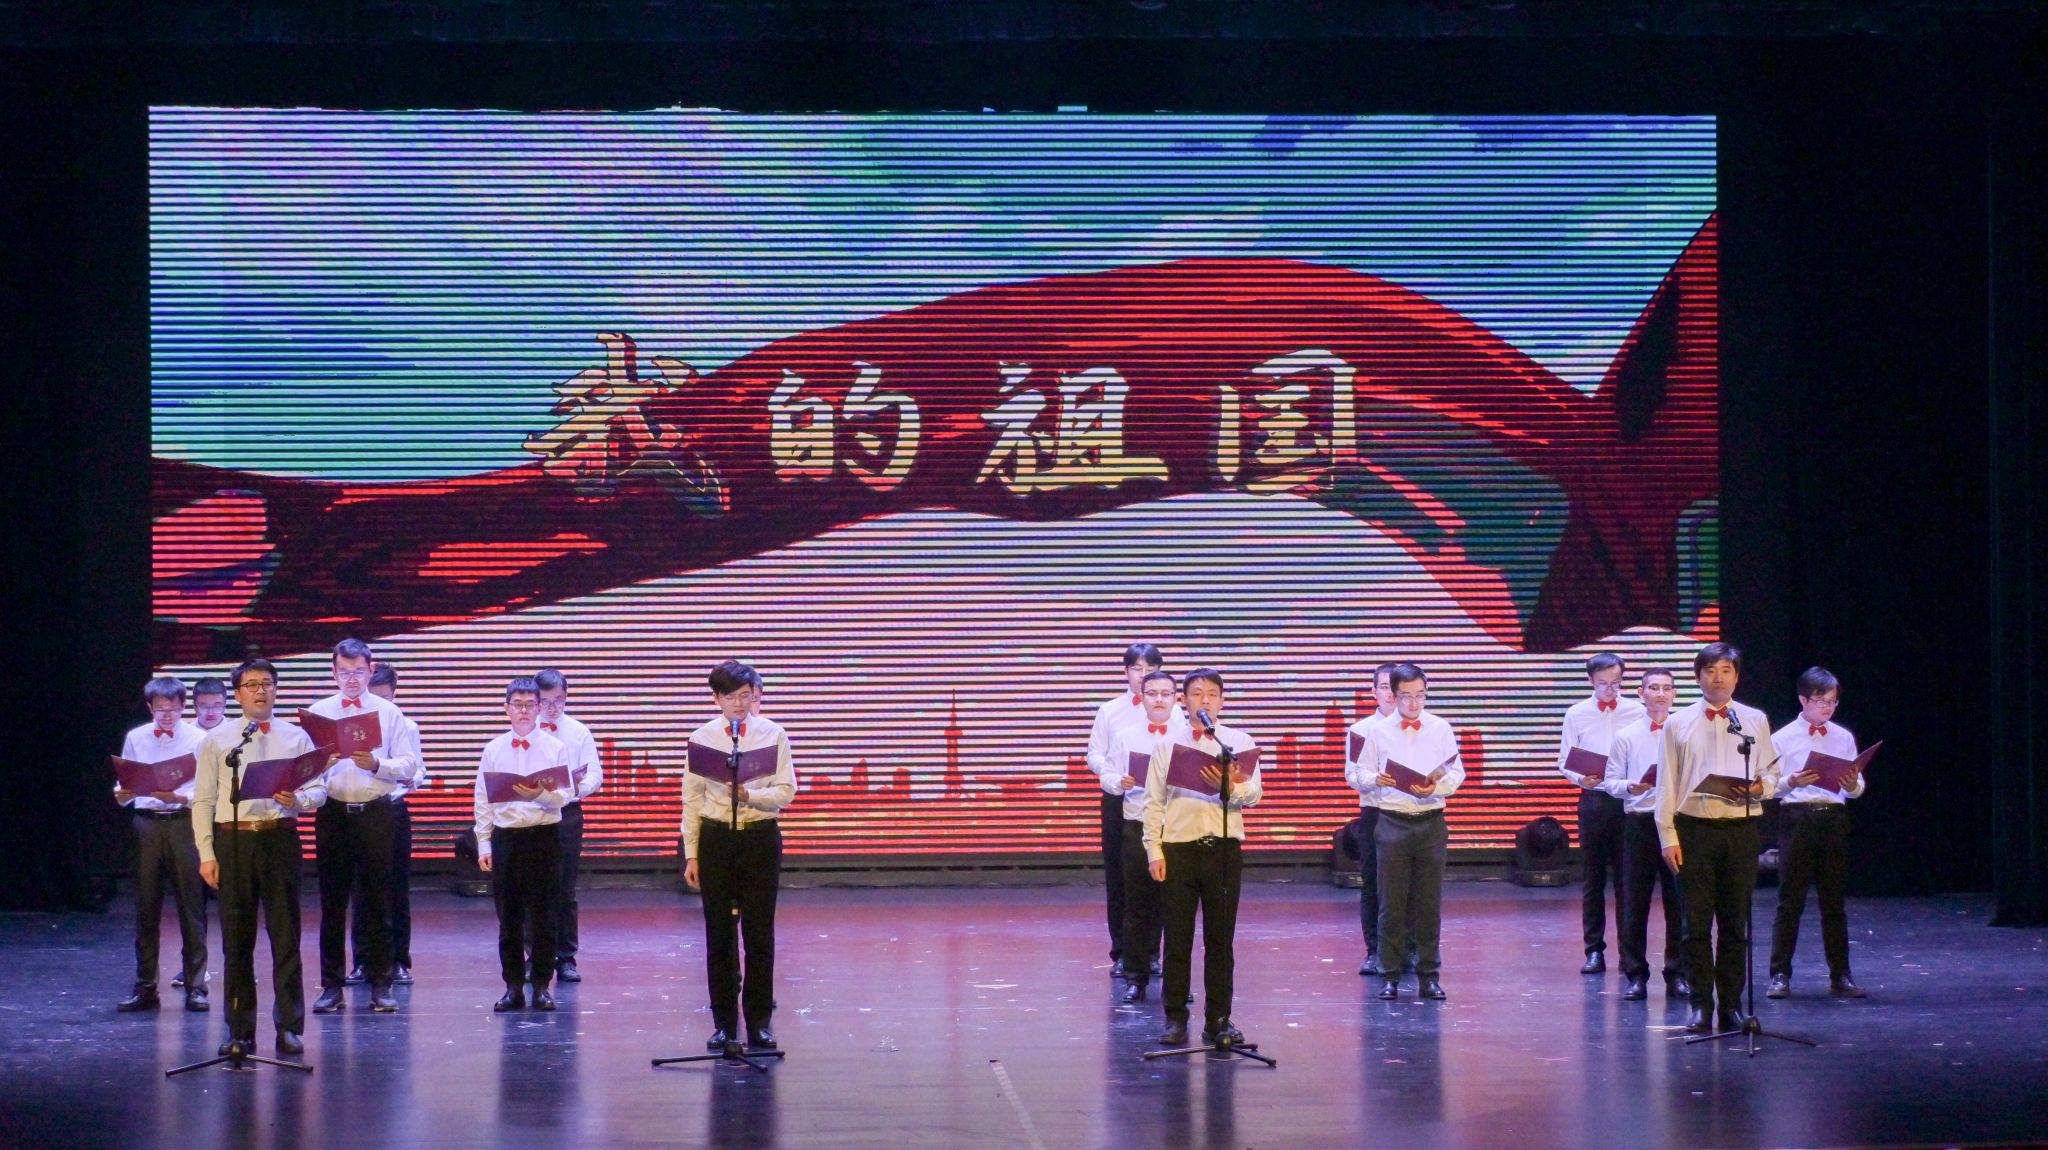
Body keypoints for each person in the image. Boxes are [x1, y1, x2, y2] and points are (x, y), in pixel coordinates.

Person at [193, 658, 326, 1057]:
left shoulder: (296, 737)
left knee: (285, 935)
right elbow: (203, 800)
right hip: (234, 841)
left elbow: (319, 789)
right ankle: (239, 1030)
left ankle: (289, 1027)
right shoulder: (218, 740)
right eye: (251, 684)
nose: (260, 691)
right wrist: (206, 852)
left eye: (267, 683)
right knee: (236, 939)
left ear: (276, 689)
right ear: (238, 694)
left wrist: (298, 800)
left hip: (279, 837)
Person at [1655, 642, 1782, 1034]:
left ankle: (1731, 1006)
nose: (1718, 678)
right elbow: (1666, 783)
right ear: (1698, 677)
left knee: (1734, 924)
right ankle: (1700, 1005)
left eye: (1726, 670)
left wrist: (1759, 787)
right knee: (1695, 925)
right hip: (1694, 830)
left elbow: (1772, 773)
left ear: (1737, 677)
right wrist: (1667, 836)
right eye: (1710, 671)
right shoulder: (1678, 723)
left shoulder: (1753, 720)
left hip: (1741, 829)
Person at [1142, 668, 1261, 1048]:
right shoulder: (1167, 745)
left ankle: (1219, 1020)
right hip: (1178, 849)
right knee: (1177, 940)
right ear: (1183, 700)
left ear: (1222, 701)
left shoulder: (1237, 742)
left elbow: (1254, 794)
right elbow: (1153, 802)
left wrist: (1229, 786)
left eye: (1212, 693)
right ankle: (1175, 1019)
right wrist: (1154, 850)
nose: (1204, 700)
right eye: (1196, 693)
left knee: (1220, 941)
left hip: (1223, 849)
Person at [683, 660, 797, 1052]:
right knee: (719, 935)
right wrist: (692, 854)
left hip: (759, 838)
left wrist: (752, 795)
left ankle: (759, 1023)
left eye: (745, 696)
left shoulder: (773, 734)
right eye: (730, 696)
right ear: (716, 698)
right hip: (716, 839)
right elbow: (691, 800)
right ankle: (723, 1024)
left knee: (759, 934)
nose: (738, 703)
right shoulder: (702, 738)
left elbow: (786, 790)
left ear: (755, 696)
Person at [308, 638, 424, 1016]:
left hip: (377, 812)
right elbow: (303, 771)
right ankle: (331, 986)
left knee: (378, 900)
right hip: (333, 814)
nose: (352, 679)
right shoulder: (319, 713)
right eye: (345, 672)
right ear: (333, 673)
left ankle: (382, 984)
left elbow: (409, 765)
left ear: (371, 670)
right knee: (332, 903)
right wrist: (321, 764)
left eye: (359, 671)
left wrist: (376, 764)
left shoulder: (389, 712)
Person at [1361, 663, 1465, 1001]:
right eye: (1406, 696)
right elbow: (1359, 773)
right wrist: (1375, 778)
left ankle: (1429, 976)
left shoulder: (1440, 728)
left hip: (1431, 821)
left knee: (1428, 904)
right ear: (1393, 695)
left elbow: (1456, 773)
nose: (1414, 703)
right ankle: (1389, 975)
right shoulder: (1378, 731)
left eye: (1420, 695)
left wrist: (1437, 786)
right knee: (1390, 904)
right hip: (1392, 820)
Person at [474, 677, 574, 1012]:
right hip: (507, 838)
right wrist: (484, 844)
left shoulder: (554, 747)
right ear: (506, 709)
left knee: (545, 915)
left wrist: (541, 794)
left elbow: (565, 795)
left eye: (530, 704)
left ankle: (542, 986)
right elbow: (482, 800)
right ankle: (513, 987)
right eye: (517, 704)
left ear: (539, 708)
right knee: (509, 918)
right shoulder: (493, 749)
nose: (524, 711)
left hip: (543, 836)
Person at [1768, 666, 1868, 999]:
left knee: (1834, 902)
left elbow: (1857, 787)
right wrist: (1791, 781)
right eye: (1820, 701)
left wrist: (1852, 784)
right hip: (1798, 817)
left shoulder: (1843, 736)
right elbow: (1768, 787)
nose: (1827, 707)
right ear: (1803, 700)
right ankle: (1779, 974)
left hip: (1833, 818)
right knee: (1790, 901)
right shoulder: (1781, 738)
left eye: (1832, 701)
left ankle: (1841, 975)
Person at [113, 676, 210, 1013]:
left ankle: (196, 986)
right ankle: (145, 986)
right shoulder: (137, 737)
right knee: (146, 906)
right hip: (147, 824)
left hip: (183, 822)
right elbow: (124, 784)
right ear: (150, 707)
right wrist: (122, 794)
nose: (167, 716)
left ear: (183, 707)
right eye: (160, 710)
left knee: (191, 906)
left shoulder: (198, 739)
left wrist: (178, 797)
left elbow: (207, 789)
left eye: (173, 709)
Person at [1558, 653, 1647, 974]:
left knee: (1628, 879)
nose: (1610, 690)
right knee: (1593, 878)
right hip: (1594, 800)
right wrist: (1580, 778)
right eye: (1603, 684)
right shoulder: (1576, 713)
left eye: (1616, 683)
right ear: (1590, 681)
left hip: (1627, 801)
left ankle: (1629, 952)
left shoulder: (1638, 711)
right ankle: (1594, 950)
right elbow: (1565, 760)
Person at [1602, 667, 1688, 1001]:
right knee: (1635, 902)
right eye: (1654, 688)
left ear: (1675, 693)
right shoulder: (1626, 735)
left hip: (1677, 823)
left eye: (1667, 688)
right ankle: (1636, 974)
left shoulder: (1685, 731)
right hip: (1639, 822)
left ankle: (1677, 973)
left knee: (1678, 901)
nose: (1661, 694)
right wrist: (1630, 786)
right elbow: (1611, 781)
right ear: (1641, 693)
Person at [1101, 669, 1185, 1002]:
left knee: (1177, 908)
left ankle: (1177, 981)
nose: (1159, 699)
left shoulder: (1188, 736)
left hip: (1177, 827)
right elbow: (1107, 773)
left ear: (1176, 698)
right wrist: (1118, 782)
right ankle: (1135, 978)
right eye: (1152, 693)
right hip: (1137, 824)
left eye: (1166, 693)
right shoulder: (1126, 736)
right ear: (1142, 697)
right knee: (1136, 905)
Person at [1087, 643, 1167, 978]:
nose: (1143, 675)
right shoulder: (1110, 711)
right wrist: (1116, 775)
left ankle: (1152, 953)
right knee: (1121, 877)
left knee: (1159, 875)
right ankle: (1122, 951)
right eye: (1137, 668)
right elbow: (1094, 755)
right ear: (1126, 672)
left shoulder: (1173, 712)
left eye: (1150, 668)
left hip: (1161, 802)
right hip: (1120, 797)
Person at [347, 663, 421, 986]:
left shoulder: (406, 725)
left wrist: (408, 776)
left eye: (385, 697)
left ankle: (398, 960)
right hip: (359, 811)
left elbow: (417, 769)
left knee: (396, 888)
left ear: (394, 694)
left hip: (392, 810)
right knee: (361, 889)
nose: (379, 704)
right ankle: (362, 961)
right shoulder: (350, 726)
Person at [535, 668, 602, 984]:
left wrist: (573, 789)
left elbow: (595, 775)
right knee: (532, 888)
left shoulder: (578, 731)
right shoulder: (524, 731)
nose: (553, 708)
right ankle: (534, 956)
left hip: (567, 813)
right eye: (546, 701)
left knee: (564, 888)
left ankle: (565, 958)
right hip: (531, 815)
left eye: (559, 700)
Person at [1343, 662, 1403, 977]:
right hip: (1375, 812)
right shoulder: (1360, 730)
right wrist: (1375, 779)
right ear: (1373, 692)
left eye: (1395, 687)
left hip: (1410, 811)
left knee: (1409, 884)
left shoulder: (1421, 726)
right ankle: (1374, 951)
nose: (1390, 693)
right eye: (1383, 687)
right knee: (1373, 883)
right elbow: (1352, 775)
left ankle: (1410, 949)